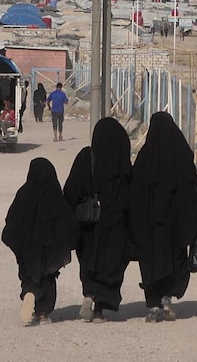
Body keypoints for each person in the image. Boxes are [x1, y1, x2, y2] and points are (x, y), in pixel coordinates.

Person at [129, 112, 197, 323]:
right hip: (175, 226)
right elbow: (191, 194)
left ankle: (153, 305)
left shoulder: (146, 158)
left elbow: (135, 195)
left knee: (152, 263)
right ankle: (167, 297)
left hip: (150, 227)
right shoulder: (182, 157)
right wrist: (196, 223)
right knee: (175, 260)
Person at [63, 117, 132, 323]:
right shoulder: (121, 159)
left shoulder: (87, 157)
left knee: (89, 260)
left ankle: (88, 295)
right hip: (115, 224)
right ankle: (101, 307)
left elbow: (71, 190)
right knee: (111, 263)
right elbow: (131, 192)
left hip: (89, 224)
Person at [2, 158, 80, 326]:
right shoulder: (55, 194)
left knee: (29, 274)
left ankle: (29, 292)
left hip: (29, 248)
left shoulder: (24, 193)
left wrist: (17, 242)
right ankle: (43, 313)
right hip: (50, 248)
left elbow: (12, 219)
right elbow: (68, 222)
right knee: (48, 278)